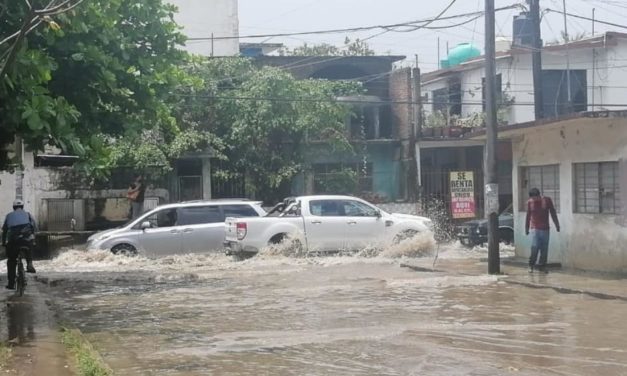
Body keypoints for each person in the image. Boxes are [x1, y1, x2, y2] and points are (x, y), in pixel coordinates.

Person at [2, 199, 37, 290]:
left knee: (11, 261)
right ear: (22, 207)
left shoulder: (9, 216)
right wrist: (34, 238)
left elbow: (4, 230)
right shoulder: (28, 215)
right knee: (29, 246)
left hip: (13, 241)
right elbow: (34, 226)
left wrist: (3, 242)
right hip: (26, 239)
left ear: (13, 207)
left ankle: (11, 283)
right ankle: (29, 263)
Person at [525, 188, 560, 273]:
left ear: (538, 195)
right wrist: (526, 228)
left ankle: (542, 266)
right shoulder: (530, 202)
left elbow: (553, 212)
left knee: (544, 248)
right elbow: (528, 216)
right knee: (535, 247)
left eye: (534, 198)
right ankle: (531, 265)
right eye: (532, 198)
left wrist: (557, 225)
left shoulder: (547, 200)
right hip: (535, 228)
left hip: (545, 228)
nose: (533, 199)